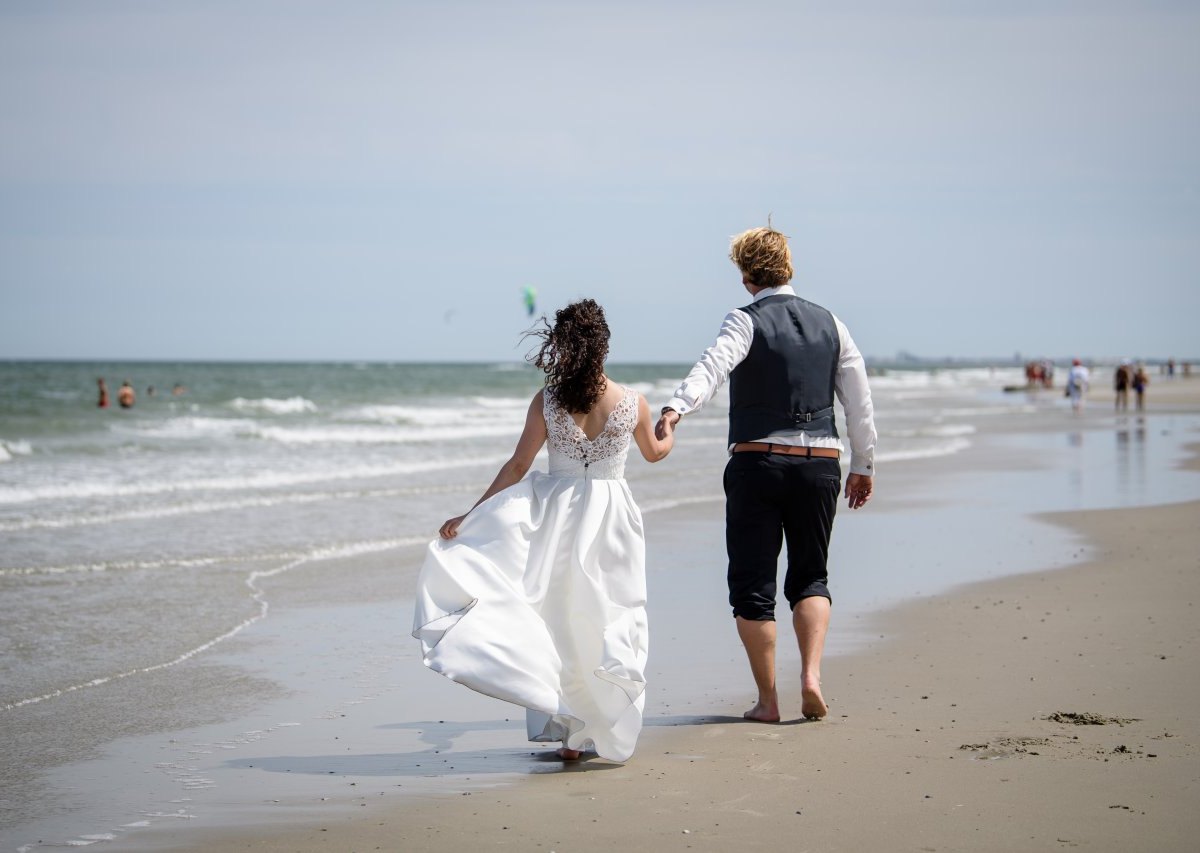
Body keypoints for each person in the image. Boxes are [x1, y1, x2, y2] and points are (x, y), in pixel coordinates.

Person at [412, 299, 674, 762]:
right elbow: (655, 453)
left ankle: (569, 734)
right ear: (604, 346)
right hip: (612, 518)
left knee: (559, 618)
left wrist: (470, 516)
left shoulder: (548, 400)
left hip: (557, 518)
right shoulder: (634, 402)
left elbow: (517, 466)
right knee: (608, 615)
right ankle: (597, 727)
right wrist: (668, 425)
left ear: (562, 346)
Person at [656, 225, 877, 723]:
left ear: (746, 273)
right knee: (811, 577)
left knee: (753, 586)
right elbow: (859, 402)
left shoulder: (745, 320)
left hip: (759, 463)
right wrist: (863, 464)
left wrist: (676, 409)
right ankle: (812, 677)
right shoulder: (833, 324)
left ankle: (769, 701)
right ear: (789, 267)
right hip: (821, 465)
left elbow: (713, 366)